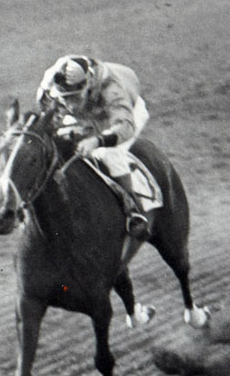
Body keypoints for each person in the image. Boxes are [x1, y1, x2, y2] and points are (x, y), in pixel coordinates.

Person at [35, 54, 157, 239]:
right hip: (88, 114)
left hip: (123, 115)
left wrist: (97, 141)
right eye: (65, 98)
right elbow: (48, 113)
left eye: (74, 97)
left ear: (87, 85)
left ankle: (133, 211)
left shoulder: (111, 89)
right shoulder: (50, 85)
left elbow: (125, 126)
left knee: (109, 154)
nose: (70, 104)